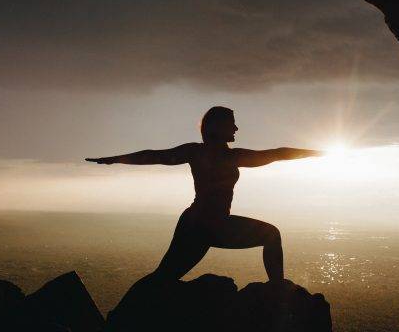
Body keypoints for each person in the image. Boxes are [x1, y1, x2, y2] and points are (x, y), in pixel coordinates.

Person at [86, 106, 321, 284]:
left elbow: (276, 154)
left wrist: (312, 152)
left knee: (165, 275)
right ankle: (277, 291)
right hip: (208, 224)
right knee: (271, 235)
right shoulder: (211, 154)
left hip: (197, 223)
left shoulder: (214, 154)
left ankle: (130, 312)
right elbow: (153, 155)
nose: (236, 129)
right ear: (218, 127)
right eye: (232, 124)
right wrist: (115, 159)